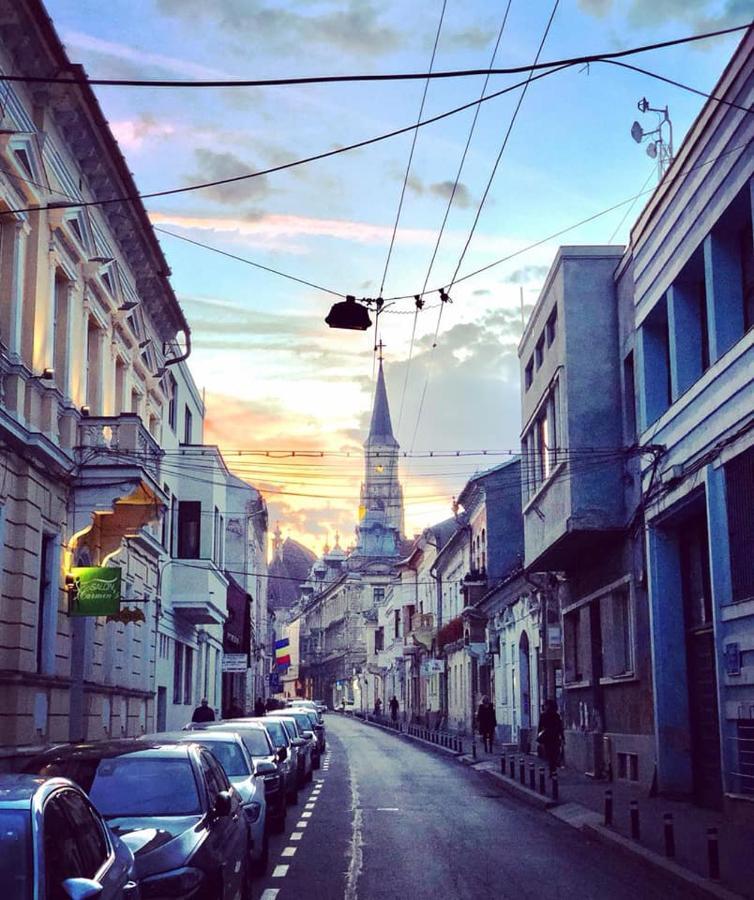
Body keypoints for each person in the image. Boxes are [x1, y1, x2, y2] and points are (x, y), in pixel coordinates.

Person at [537, 699, 564, 776]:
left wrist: (539, 738)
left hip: (549, 738)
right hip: (553, 738)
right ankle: (553, 770)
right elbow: (560, 728)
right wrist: (562, 737)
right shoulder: (556, 716)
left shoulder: (545, 715)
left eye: (545, 705)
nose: (544, 706)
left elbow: (540, 728)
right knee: (553, 754)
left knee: (551, 755)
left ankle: (552, 770)